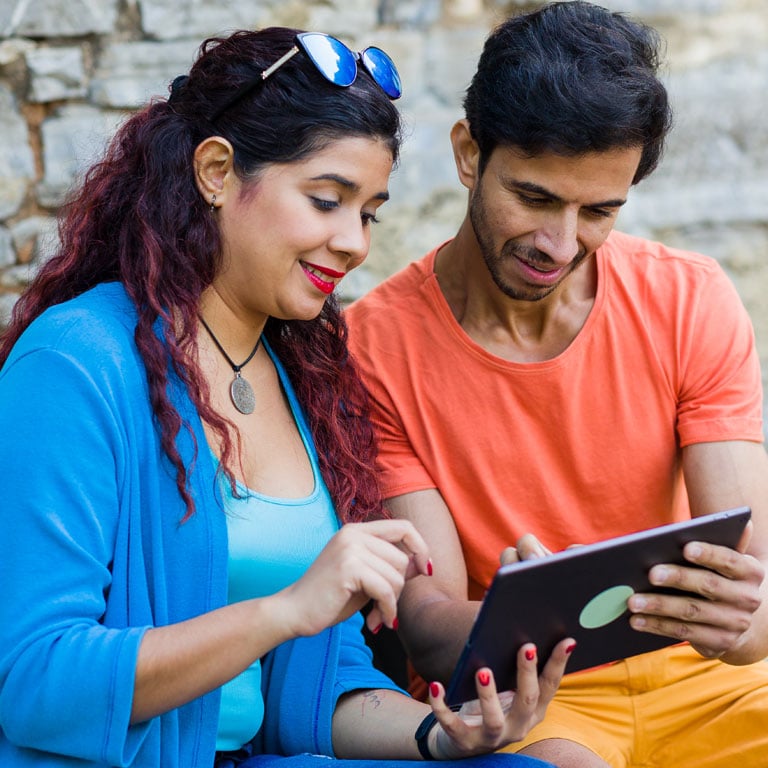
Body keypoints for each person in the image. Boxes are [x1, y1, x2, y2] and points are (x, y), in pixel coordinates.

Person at [0, 26, 576, 768]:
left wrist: (444, 731)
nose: (354, 243)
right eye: (327, 200)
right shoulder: (78, 363)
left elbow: (323, 682)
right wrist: (283, 611)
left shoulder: (306, 376)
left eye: (368, 213)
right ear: (216, 171)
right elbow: (35, 681)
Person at [345, 2, 768, 767]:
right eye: (536, 198)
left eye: (599, 211)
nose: (560, 244)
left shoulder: (689, 299)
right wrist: (520, 618)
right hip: (535, 700)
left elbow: (755, 588)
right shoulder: (374, 346)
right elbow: (430, 627)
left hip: (713, 684)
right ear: (469, 154)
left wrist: (743, 620)